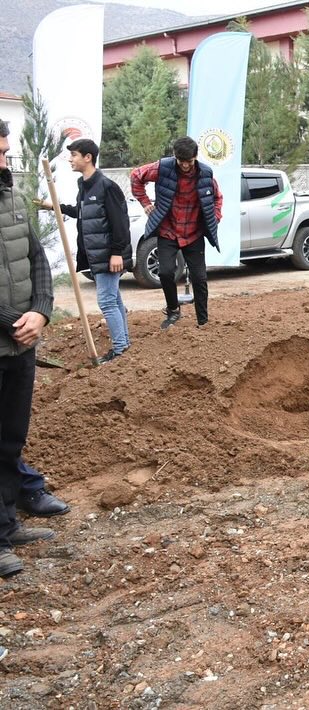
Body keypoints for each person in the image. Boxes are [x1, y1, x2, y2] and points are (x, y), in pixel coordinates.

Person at [0, 119, 59, 579]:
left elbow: (38, 260)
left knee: (9, 441)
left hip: (21, 347)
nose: (5, 161)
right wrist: (12, 323)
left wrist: (40, 310)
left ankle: (7, 523)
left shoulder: (13, 201)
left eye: (6, 152)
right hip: (8, 336)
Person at [37, 138, 132, 362]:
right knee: (114, 299)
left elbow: (120, 223)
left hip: (108, 255)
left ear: (87, 157)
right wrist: (54, 207)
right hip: (96, 255)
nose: (71, 159)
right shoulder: (84, 185)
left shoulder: (107, 186)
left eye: (74, 155)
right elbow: (82, 212)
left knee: (107, 302)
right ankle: (124, 345)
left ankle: (119, 350)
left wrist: (117, 252)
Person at [130, 136, 223, 329]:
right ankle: (173, 310)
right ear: (175, 157)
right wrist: (146, 203)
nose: (186, 166)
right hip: (168, 231)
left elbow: (217, 198)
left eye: (189, 161)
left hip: (194, 232)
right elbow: (136, 176)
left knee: (199, 278)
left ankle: (203, 321)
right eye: (181, 162)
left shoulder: (206, 173)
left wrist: (215, 218)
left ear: (195, 157)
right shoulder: (162, 167)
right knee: (165, 272)